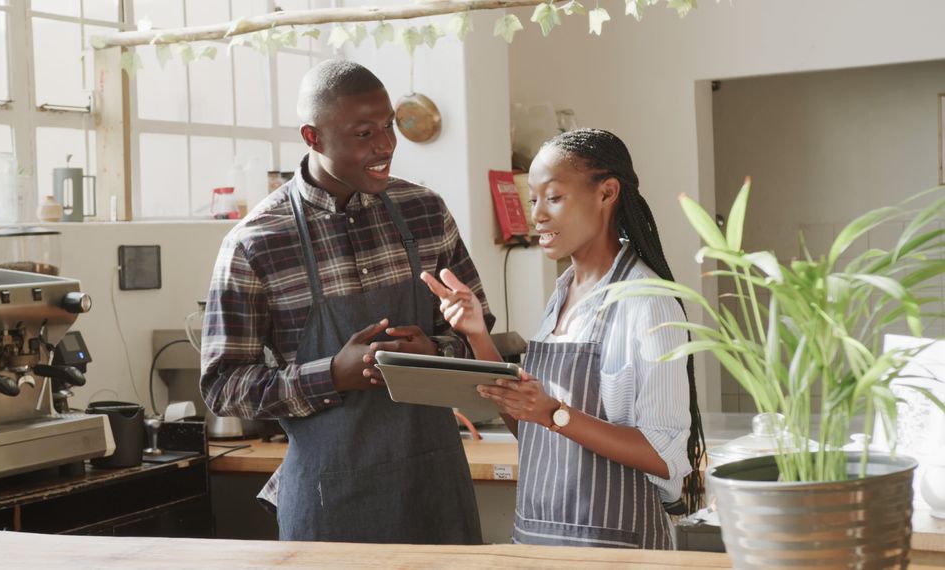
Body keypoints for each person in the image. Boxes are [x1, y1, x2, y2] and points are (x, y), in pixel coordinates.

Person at [200, 59, 494, 544]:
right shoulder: (256, 242)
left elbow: (480, 335)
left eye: (388, 126)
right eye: (364, 134)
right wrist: (330, 375)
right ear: (313, 137)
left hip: (434, 493)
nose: (386, 146)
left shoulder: (425, 212)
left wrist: (437, 357)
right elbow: (222, 386)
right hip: (327, 504)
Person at [422, 128, 705, 549]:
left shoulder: (646, 301)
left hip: (615, 549)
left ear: (607, 193)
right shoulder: (563, 295)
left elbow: (664, 456)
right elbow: (534, 431)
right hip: (540, 540)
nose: (537, 215)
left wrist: (555, 411)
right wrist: (477, 334)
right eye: (532, 199)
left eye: (553, 197)